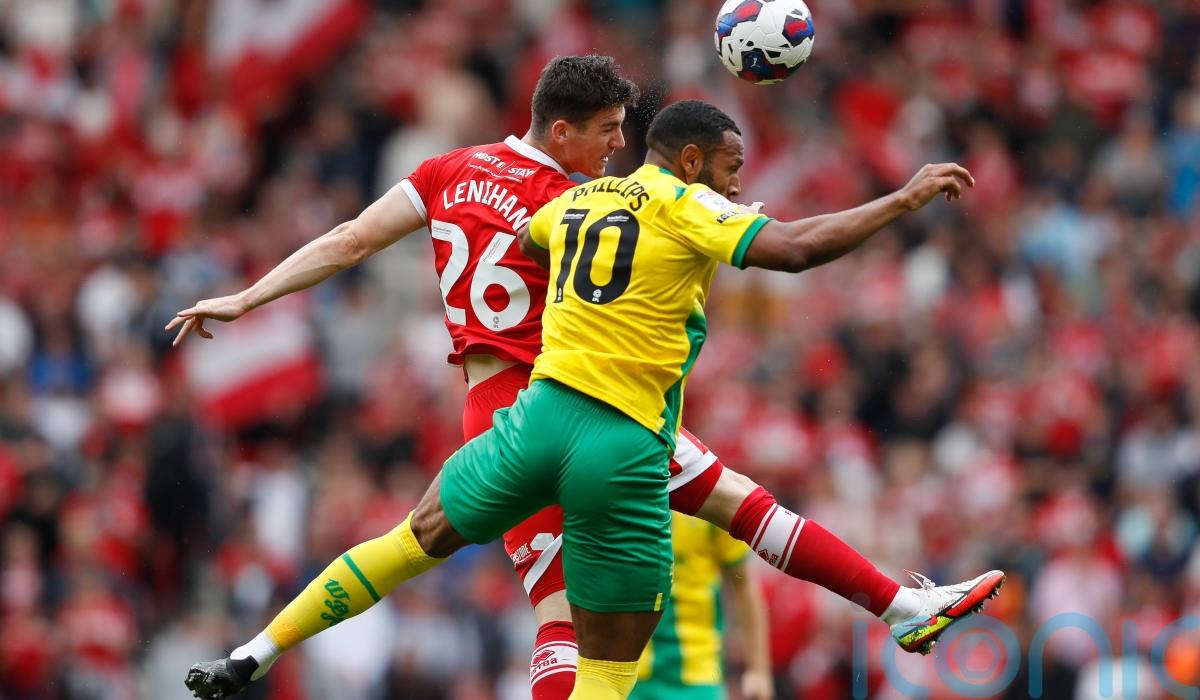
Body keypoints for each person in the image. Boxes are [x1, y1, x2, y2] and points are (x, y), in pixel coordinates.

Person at [173, 72, 1002, 699]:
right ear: (563, 128)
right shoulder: (615, 197)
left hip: (507, 417)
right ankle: (900, 607)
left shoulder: (462, 176)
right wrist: (877, 201)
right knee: (696, 551)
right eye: (607, 131)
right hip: (595, 410)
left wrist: (247, 297)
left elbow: (356, 239)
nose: (615, 146)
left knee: (457, 560)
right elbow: (776, 247)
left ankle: (258, 650)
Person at [629, 512, 772, 700]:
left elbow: (744, 585)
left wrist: (759, 671)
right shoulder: (624, 502)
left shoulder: (712, 502)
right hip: (630, 670)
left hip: (698, 672)